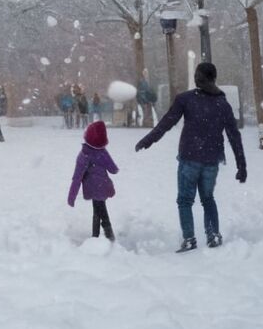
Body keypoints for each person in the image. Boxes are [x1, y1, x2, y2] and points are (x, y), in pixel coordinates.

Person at [135, 61, 247, 252]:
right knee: (208, 198)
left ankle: (189, 239)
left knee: (185, 201)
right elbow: (234, 136)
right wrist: (241, 165)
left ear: (199, 78)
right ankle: (213, 235)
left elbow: (166, 123)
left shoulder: (186, 99)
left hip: (189, 158)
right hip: (212, 160)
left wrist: (148, 140)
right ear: (214, 78)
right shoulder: (222, 104)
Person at [67, 120, 118, 240]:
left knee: (98, 210)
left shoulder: (84, 154)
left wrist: (71, 197)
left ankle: (100, 236)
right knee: (100, 209)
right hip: (103, 185)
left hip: (92, 188)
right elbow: (113, 169)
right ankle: (105, 235)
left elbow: (77, 178)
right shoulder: (103, 153)